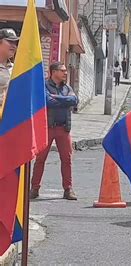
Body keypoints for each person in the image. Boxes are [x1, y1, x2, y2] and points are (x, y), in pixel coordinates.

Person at [30, 62, 79, 200]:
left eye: (65, 70)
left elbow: (75, 100)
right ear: (53, 72)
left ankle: (68, 189)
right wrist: (65, 101)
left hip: (63, 128)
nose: (65, 73)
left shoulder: (67, 87)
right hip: (47, 128)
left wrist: (57, 98)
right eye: (62, 70)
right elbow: (48, 102)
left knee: (67, 159)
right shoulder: (44, 85)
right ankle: (35, 188)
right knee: (40, 159)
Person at [0, 28, 18, 112]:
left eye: (15, 43)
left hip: (9, 116)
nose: (14, 46)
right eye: (10, 42)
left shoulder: (16, 68)